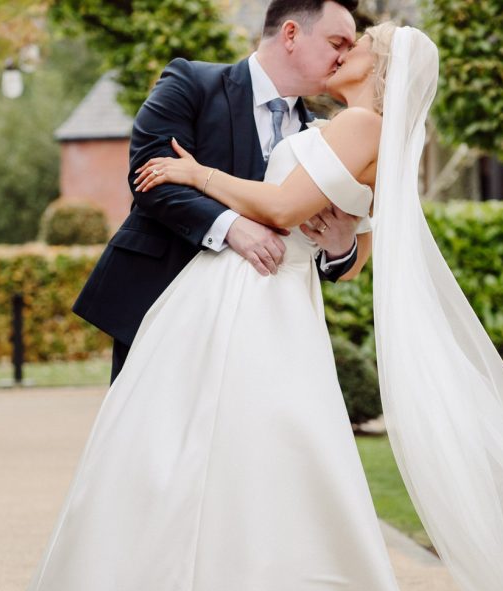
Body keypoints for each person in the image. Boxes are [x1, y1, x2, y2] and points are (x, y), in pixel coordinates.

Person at [29, 21, 503, 591]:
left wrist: (199, 175)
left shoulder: (360, 126)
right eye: (340, 40)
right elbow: (356, 250)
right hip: (271, 296)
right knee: (248, 446)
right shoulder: (365, 133)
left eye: (355, 45)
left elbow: (279, 209)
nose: (343, 50)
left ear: (377, 67)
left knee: (210, 442)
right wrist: (337, 243)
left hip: (258, 296)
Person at [70, 0, 368, 381]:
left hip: (265, 329)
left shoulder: (323, 135)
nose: (344, 57)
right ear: (291, 34)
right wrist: (232, 227)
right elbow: (151, 177)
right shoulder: (190, 83)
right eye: (337, 42)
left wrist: (341, 246)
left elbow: (318, 246)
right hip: (164, 302)